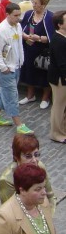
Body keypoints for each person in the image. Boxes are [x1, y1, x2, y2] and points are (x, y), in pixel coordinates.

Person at [0, 3, 33, 134]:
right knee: (11, 95)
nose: (18, 18)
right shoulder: (1, 31)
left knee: (3, 90)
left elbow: (19, 42)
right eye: (15, 15)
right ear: (7, 15)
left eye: (19, 15)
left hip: (16, 66)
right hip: (6, 69)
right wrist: (4, 68)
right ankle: (19, 124)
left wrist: (21, 60)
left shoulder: (18, 26)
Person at [0, 163, 56, 234]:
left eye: (44, 187)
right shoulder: (3, 218)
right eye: (38, 189)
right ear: (22, 190)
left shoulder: (43, 203)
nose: (44, 192)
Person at [0, 134, 57, 211]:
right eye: (28, 156)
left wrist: (48, 217)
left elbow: (51, 196)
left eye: (36, 155)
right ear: (17, 157)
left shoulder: (40, 166)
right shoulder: (7, 180)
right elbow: (9, 210)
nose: (34, 160)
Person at [19, 0, 54, 109]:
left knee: (44, 74)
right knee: (28, 70)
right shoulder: (29, 14)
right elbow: (21, 28)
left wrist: (38, 38)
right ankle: (30, 95)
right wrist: (24, 36)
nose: (33, 5)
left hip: (43, 52)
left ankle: (45, 98)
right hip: (29, 49)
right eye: (33, 2)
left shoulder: (50, 17)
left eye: (36, 3)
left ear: (43, 4)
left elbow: (52, 37)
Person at [48, 10, 66, 143]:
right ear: (60, 25)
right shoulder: (58, 40)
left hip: (62, 77)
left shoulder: (62, 37)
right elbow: (62, 64)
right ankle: (57, 134)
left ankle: (62, 129)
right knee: (59, 106)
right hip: (60, 79)